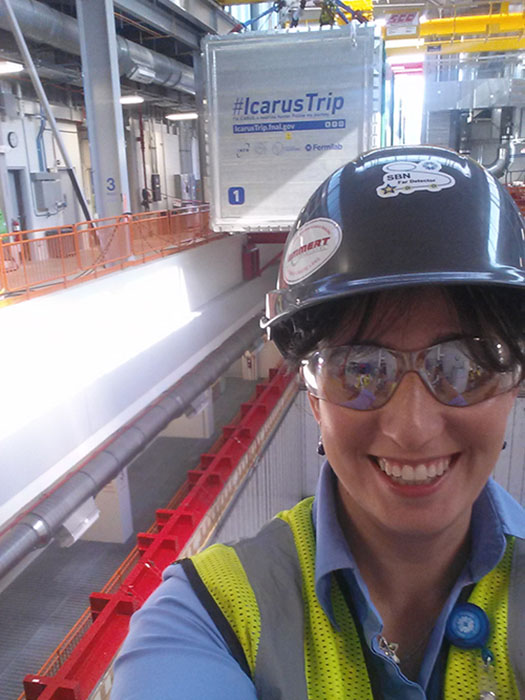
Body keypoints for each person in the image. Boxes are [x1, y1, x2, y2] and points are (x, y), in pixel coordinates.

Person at [111, 145, 525, 699]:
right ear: (312, 399)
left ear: (514, 383)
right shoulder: (209, 617)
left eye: (465, 366)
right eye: (361, 370)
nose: (413, 427)